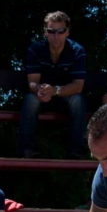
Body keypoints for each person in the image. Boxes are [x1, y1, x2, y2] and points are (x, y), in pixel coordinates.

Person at [17, 10, 86, 159]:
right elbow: (33, 83)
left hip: (65, 97)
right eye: (51, 31)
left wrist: (55, 90)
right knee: (30, 99)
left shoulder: (77, 51)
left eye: (60, 31)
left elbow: (78, 85)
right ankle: (26, 150)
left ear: (67, 32)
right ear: (45, 32)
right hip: (42, 97)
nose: (56, 35)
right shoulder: (35, 50)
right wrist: (41, 90)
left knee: (78, 100)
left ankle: (76, 152)